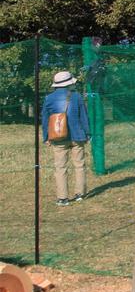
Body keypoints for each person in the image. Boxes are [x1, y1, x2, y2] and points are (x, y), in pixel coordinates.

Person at [41, 71, 90, 206]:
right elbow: (84, 117)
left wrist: (46, 137)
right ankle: (80, 194)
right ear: (69, 84)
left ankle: (62, 198)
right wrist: (87, 133)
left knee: (60, 167)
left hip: (58, 137)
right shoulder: (77, 97)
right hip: (77, 135)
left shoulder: (48, 99)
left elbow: (45, 120)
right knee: (79, 165)